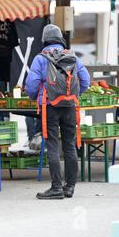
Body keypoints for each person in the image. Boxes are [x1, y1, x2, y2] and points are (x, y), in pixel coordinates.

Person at [25, 24, 90, 199]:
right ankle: (69, 187)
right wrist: (73, 95)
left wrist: (35, 98)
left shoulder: (41, 58)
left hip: (50, 106)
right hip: (70, 106)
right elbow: (85, 80)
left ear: (44, 40)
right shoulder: (72, 57)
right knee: (69, 145)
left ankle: (56, 188)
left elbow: (31, 85)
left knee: (53, 145)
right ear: (60, 38)